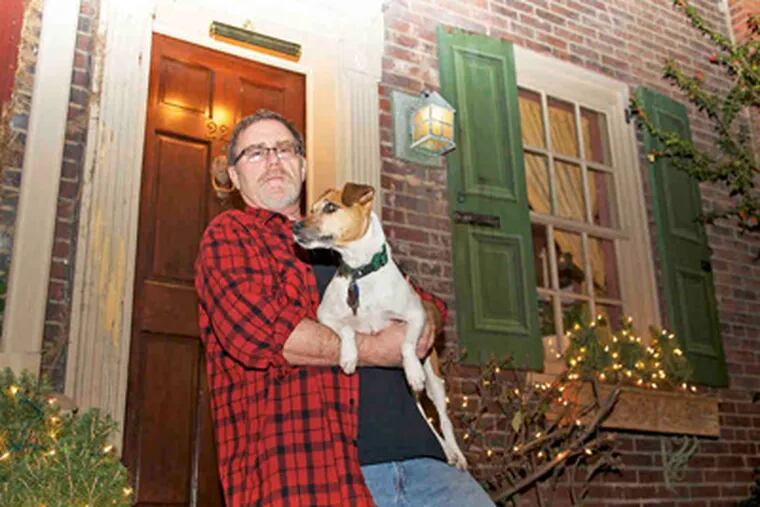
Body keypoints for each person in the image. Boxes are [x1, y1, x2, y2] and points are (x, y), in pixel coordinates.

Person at [195, 109, 494, 507]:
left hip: (427, 462)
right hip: (313, 471)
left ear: (302, 166)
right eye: (256, 153)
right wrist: (378, 348)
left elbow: (425, 302)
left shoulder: (346, 238)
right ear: (234, 176)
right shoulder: (231, 235)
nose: (273, 160)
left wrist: (424, 319)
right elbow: (259, 332)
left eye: (284, 149)